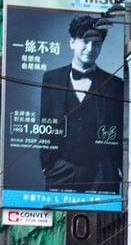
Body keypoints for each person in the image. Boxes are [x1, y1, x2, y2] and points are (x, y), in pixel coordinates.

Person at [36, 14, 125, 195]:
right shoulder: (51, 78)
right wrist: (47, 166)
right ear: (72, 43)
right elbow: (45, 123)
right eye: (85, 41)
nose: (90, 48)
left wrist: (115, 169)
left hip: (102, 173)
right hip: (61, 170)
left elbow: (119, 127)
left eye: (96, 43)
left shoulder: (115, 84)